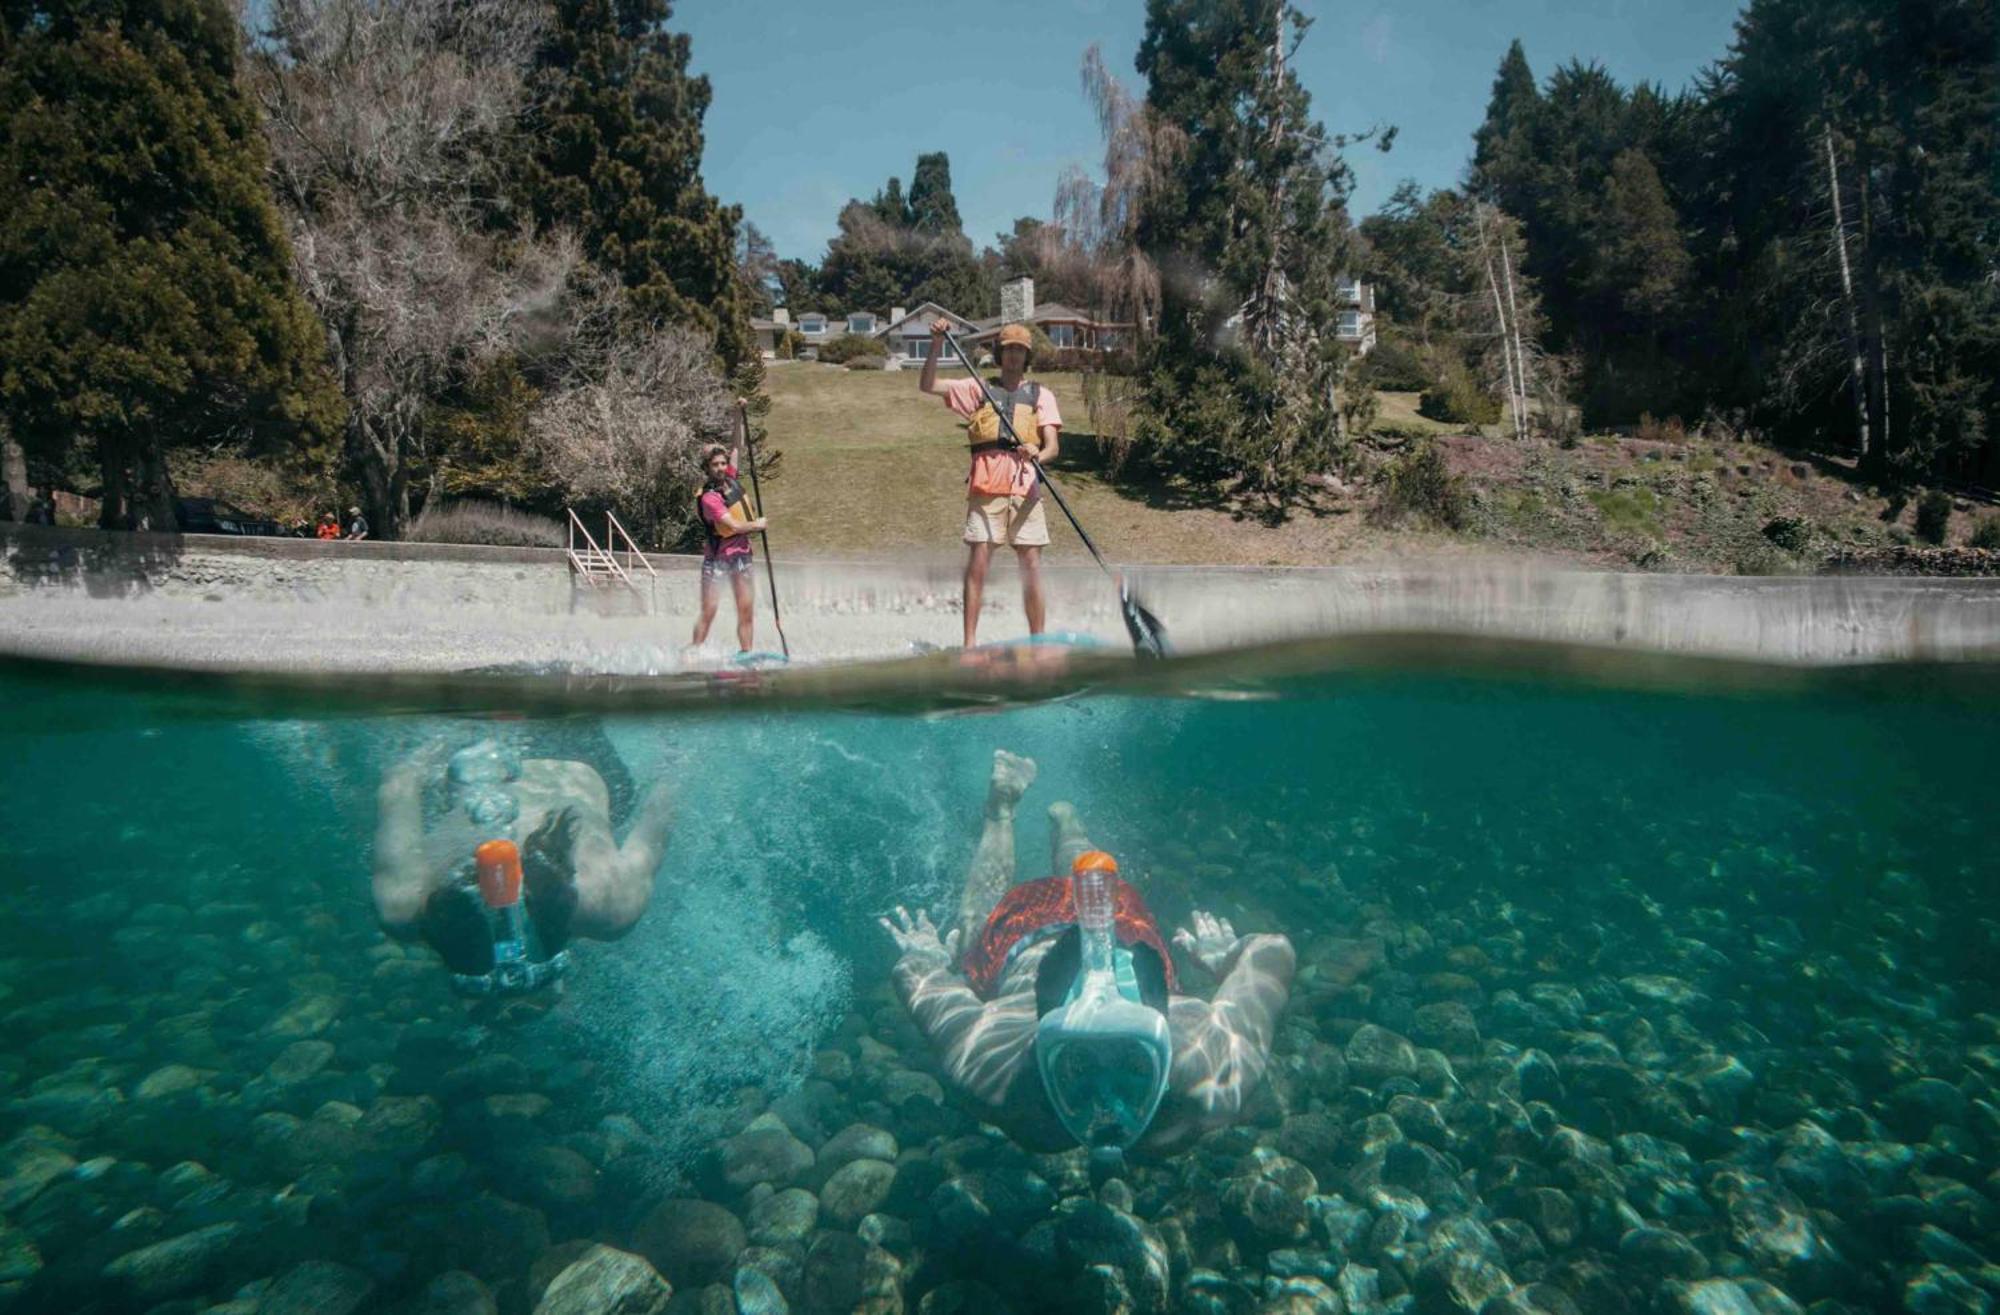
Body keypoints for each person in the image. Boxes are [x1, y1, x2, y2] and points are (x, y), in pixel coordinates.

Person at [880, 751, 1295, 1159]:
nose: (1105, 1108)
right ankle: (1046, 817)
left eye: (1133, 1066)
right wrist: (1228, 960)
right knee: (987, 924)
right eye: (1078, 1068)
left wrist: (927, 958)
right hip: (1096, 927)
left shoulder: (992, 1074)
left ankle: (1006, 812)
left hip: (1039, 937)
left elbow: (916, 981)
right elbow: (1272, 950)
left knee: (975, 931)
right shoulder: (1212, 1080)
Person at [372, 740, 673, 996]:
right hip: (473, 755)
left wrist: (675, 753)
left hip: (576, 755)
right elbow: (398, 783)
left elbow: (660, 813)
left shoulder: (611, 905)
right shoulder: (402, 904)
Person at [919, 321, 1063, 648]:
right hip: (986, 490)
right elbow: (928, 385)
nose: (1013, 356)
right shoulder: (977, 388)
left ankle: (1038, 644)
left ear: (1027, 356)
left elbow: (1053, 446)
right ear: (999, 353)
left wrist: (1038, 452)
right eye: (1008, 349)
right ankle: (970, 644)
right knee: (979, 564)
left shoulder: (1042, 395)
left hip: (1025, 490)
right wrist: (937, 343)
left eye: (1019, 350)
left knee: (1031, 568)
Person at [692, 417, 768, 653]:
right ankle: (694, 650)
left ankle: (746, 653)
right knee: (710, 610)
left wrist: (739, 414)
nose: (720, 468)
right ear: (708, 468)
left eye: (723, 464)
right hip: (718, 560)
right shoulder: (709, 497)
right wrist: (757, 525)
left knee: (746, 609)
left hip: (742, 556)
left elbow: (737, 446)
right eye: (715, 465)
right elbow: (733, 526)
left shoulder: (732, 480)